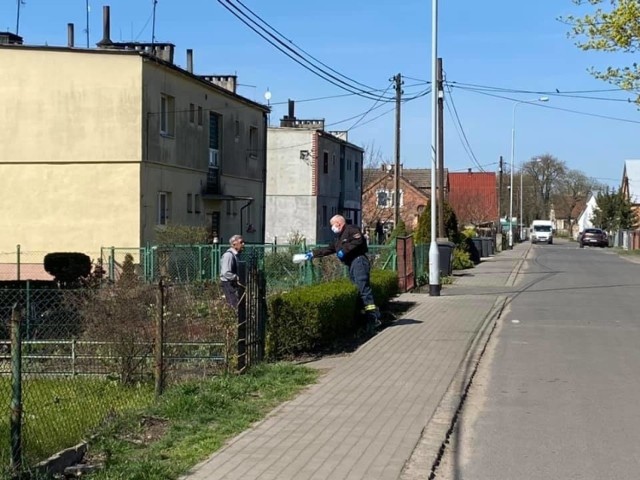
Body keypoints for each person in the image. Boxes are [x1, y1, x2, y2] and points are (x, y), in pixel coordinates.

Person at [305, 215, 381, 331]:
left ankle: (373, 317)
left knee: (363, 289)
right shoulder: (339, 239)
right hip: (352, 263)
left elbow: (358, 240)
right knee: (356, 288)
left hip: (359, 261)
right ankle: (363, 315)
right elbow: (329, 249)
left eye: (332, 225)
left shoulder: (351, 230)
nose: (332, 228)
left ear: (339, 223)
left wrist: (344, 251)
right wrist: (313, 254)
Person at [220, 234, 245, 308]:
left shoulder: (236, 255)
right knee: (234, 304)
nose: (243, 244)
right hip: (229, 284)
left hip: (233, 284)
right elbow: (226, 273)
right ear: (234, 244)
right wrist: (237, 277)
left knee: (237, 303)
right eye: (241, 242)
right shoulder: (229, 255)